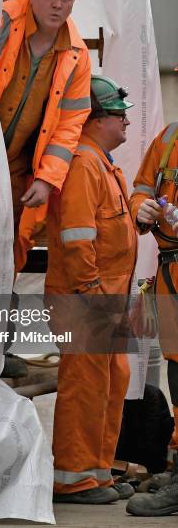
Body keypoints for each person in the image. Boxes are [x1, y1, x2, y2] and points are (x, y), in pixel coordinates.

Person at [0, 0, 91, 378]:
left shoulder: (76, 52)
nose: (58, 4)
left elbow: (71, 124)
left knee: (9, 252)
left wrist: (48, 179)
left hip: (18, 167)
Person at [45, 75, 137, 503]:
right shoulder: (84, 164)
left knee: (109, 383)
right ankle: (72, 479)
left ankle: (96, 473)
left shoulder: (102, 164)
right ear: (97, 120)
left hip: (106, 299)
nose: (126, 125)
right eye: (120, 117)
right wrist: (91, 290)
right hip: (87, 299)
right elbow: (77, 236)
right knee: (84, 387)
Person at [127, 121, 178, 516]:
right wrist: (140, 208)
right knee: (177, 373)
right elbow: (145, 186)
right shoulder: (170, 137)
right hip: (171, 273)